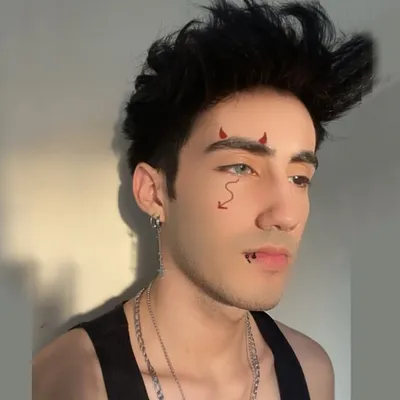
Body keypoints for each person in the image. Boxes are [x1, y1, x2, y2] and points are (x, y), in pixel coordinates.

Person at [32, 0, 374, 399]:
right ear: (154, 192)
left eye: (299, 178)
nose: (284, 216)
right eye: (240, 168)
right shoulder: (74, 380)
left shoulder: (310, 371)